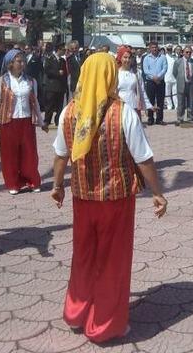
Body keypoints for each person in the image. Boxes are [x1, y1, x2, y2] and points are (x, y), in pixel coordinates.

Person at [50, 52, 167, 343]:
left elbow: (61, 154)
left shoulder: (70, 111)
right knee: (113, 259)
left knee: (84, 254)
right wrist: (157, 192)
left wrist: (57, 185)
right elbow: (143, 157)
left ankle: (77, 312)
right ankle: (105, 323)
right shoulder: (122, 111)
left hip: (82, 197)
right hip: (115, 198)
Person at [0, 49, 46, 195]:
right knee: (9, 155)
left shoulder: (31, 81)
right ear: (10, 63)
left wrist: (42, 122)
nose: (22, 64)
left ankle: (32, 181)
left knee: (30, 154)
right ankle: (13, 183)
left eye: (23, 61)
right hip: (7, 123)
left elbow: (35, 102)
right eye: (19, 61)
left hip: (26, 122)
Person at [116, 46, 151, 114]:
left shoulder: (136, 73)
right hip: (119, 106)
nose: (127, 60)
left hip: (134, 105)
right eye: (125, 57)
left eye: (129, 58)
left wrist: (149, 105)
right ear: (120, 58)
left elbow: (142, 90)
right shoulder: (116, 73)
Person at [43, 43, 69, 128]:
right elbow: (47, 71)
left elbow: (65, 73)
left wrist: (65, 86)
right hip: (51, 86)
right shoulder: (50, 59)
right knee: (50, 105)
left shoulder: (62, 60)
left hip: (60, 86)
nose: (64, 52)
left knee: (59, 105)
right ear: (59, 50)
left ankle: (57, 120)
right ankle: (47, 120)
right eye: (63, 50)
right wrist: (57, 73)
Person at [173, 46, 193, 126]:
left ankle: (190, 118)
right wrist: (181, 79)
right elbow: (175, 73)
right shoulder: (178, 62)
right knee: (180, 103)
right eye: (187, 52)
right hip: (181, 84)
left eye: (190, 52)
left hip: (191, 84)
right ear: (183, 53)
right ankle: (180, 119)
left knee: (191, 102)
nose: (188, 54)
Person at [141, 42, 167, 126]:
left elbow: (165, 68)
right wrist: (153, 78)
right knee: (150, 101)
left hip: (160, 81)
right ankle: (150, 118)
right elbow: (146, 70)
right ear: (149, 48)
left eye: (155, 47)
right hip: (150, 82)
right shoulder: (146, 58)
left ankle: (159, 119)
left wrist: (158, 77)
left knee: (160, 101)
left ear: (158, 47)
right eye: (152, 47)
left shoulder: (163, 57)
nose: (154, 49)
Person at [164, 45, 179, 111]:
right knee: (167, 93)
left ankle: (176, 105)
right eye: (168, 49)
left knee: (175, 93)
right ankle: (169, 105)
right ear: (166, 50)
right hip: (167, 77)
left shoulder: (175, 57)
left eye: (170, 49)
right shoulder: (164, 57)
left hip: (174, 78)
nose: (169, 50)